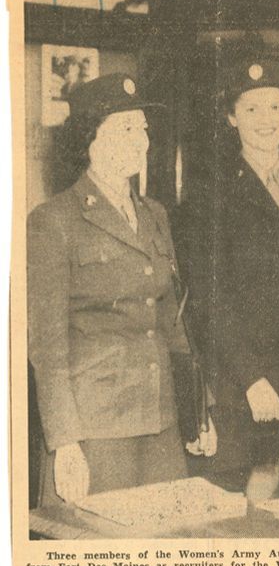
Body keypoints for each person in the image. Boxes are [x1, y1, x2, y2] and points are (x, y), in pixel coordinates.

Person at [178, 57, 279, 502]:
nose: (266, 120)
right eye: (251, 109)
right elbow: (209, 301)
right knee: (249, 519)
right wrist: (251, 378)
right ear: (231, 118)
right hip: (245, 392)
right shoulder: (208, 194)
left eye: (275, 106)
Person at [27, 73, 192, 506]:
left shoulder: (155, 214)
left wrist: (196, 411)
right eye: (125, 129)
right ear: (90, 141)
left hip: (161, 423)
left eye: (143, 129)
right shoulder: (54, 220)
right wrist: (64, 442)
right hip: (96, 427)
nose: (141, 141)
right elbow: (46, 346)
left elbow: (172, 324)